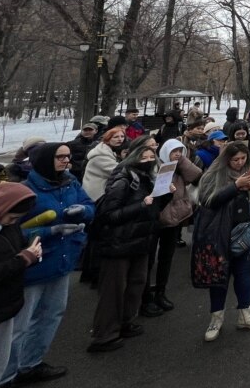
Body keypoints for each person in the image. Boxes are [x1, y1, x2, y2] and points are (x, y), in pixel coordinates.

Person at [1, 143, 94, 387]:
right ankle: (5, 375)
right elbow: (11, 231)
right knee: (19, 325)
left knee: (51, 315)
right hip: (34, 265)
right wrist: (49, 230)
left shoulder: (70, 182)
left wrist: (83, 210)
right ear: (44, 160)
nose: (66, 161)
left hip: (62, 260)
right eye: (60, 157)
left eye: (68, 157)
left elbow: (91, 206)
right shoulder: (24, 190)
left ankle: (31, 363)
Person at [87, 145, 169, 352]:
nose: (149, 160)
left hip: (141, 240)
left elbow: (155, 208)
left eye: (152, 157)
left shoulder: (148, 178)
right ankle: (104, 334)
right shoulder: (122, 180)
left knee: (137, 283)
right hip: (119, 242)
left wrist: (165, 194)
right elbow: (108, 215)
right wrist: (141, 205)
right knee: (113, 289)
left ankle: (125, 321)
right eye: (144, 157)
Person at [192, 142, 250, 342]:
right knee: (218, 278)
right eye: (235, 160)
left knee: (244, 273)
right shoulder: (213, 173)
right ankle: (216, 318)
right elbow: (208, 199)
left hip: (245, 232)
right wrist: (235, 186)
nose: (240, 163)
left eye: (243, 158)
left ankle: (246, 312)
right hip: (219, 232)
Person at [0, 184, 41, 388]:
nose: (13, 222)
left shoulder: (9, 227)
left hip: (5, 308)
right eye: (11, 217)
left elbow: (16, 250)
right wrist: (22, 260)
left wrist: (32, 252)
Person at [141, 139, 201, 317]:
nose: (177, 153)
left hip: (175, 216)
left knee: (167, 256)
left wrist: (182, 161)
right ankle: (145, 296)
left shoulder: (181, 166)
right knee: (149, 259)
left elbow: (197, 176)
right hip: (157, 217)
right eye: (174, 151)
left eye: (180, 150)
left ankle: (161, 291)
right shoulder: (155, 166)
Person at [81, 128, 125, 202]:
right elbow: (118, 171)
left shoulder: (109, 150)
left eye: (122, 136)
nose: (120, 139)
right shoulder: (101, 155)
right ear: (108, 139)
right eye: (116, 137)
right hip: (96, 195)